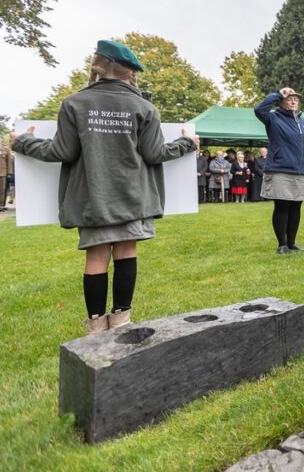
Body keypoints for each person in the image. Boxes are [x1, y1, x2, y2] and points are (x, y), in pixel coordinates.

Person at [10, 40, 196, 333]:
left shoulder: (74, 103)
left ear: (97, 66)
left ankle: (96, 327)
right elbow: (155, 153)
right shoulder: (143, 106)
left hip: (93, 195)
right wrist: (188, 142)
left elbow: (61, 151)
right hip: (133, 195)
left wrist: (23, 141)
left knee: (96, 257)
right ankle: (122, 321)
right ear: (130, 72)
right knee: (126, 252)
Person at [254, 88, 304, 253]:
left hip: (303, 171)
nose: (293, 101)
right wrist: (278, 94)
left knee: (296, 207)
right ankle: (282, 244)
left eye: (296, 99)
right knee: (282, 206)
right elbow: (258, 109)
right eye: (289, 98)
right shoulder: (273, 118)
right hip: (281, 169)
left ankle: (292, 243)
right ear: (281, 101)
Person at [0, 133, 13, 212]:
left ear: (0, 140)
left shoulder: (5, 149)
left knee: (1, 190)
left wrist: (9, 173)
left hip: (2, 172)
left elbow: (9, 162)